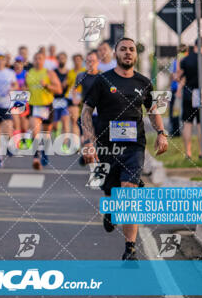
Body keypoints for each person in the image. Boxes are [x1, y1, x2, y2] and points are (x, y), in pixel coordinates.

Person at [81, 38, 168, 260]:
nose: (128, 53)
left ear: (135, 55)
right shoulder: (102, 80)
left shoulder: (144, 82)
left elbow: (153, 110)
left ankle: (130, 248)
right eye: (123, 49)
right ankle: (110, 208)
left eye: (131, 50)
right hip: (107, 146)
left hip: (134, 147)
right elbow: (86, 111)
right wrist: (89, 142)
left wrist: (161, 133)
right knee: (111, 191)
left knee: (128, 191)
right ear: (116, 53)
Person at [26, 51, 62, 170]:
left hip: (47, 106)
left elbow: (59, 90)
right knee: (35, 132)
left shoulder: (49, 73)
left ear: (43, 60)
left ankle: (45, 153)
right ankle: (36, 157)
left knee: (46, 134)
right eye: (35, 58)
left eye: (40, 59)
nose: (37, 61)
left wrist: (47, 86)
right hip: (34, 106)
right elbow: (25, 89)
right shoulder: (29, 73)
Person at [179, 38, 202, 160]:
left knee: (187, 124)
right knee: (201, 125)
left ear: (194, 46)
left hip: (188, 93)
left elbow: (178, 76)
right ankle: (201, 153)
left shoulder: (186, 59)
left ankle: (188, 154)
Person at [66, 53, 86, 137]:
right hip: (70, 97)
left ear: (82, 61)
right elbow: (68, 84)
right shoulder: (70, 72)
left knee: (76, 121)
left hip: (80, 97)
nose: (77, 62)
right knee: (70, 121)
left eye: (79, 60)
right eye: (75, 60)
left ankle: (77, 143)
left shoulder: (85, 71)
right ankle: (73, 143)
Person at [51, 52, 70, 138]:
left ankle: (65, 145)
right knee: (54, 125)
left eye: (63, 58)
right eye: (60, 58)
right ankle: (55, 140)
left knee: (65, 124)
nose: (61, 60)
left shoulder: (69, 72)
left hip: (65, 100)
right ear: (57, 60)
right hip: (54, 100)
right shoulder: (53, 72)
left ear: (66, 60)